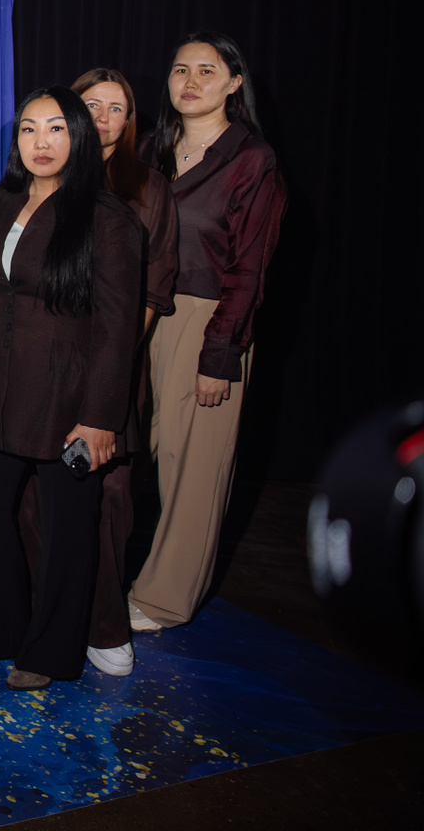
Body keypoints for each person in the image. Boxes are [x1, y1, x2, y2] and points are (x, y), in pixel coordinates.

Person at [0, 87, 143, 688]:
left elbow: (117, 329)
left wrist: (100, 418)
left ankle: (50, 654)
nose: (41, 142)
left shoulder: (108, 218)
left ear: (78, 136)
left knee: (67, 532)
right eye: (28, 128)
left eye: (56, 128)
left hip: (67, 396)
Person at [15, 68, 178, 678]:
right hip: (41, 372)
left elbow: (147, 295)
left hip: (109, 371)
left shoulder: (146, 188)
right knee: (34, 503)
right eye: (91, 105)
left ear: (130, 121)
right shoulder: (42, 178)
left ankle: (104, 626)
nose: (104, 117)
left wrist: (107, 376)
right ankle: (48, 618)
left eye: (117, 108)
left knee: (106, 499)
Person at [127, 33, 286, 632]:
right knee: (128, 453)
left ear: (234, 83)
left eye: (206, 70)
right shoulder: (150, 148)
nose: (190, 81)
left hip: (206, 320)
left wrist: (219, 355)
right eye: (180, 70)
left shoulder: (251, 159)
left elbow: (250, 268)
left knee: (193, 469)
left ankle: (164, 599)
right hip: (138, 316)